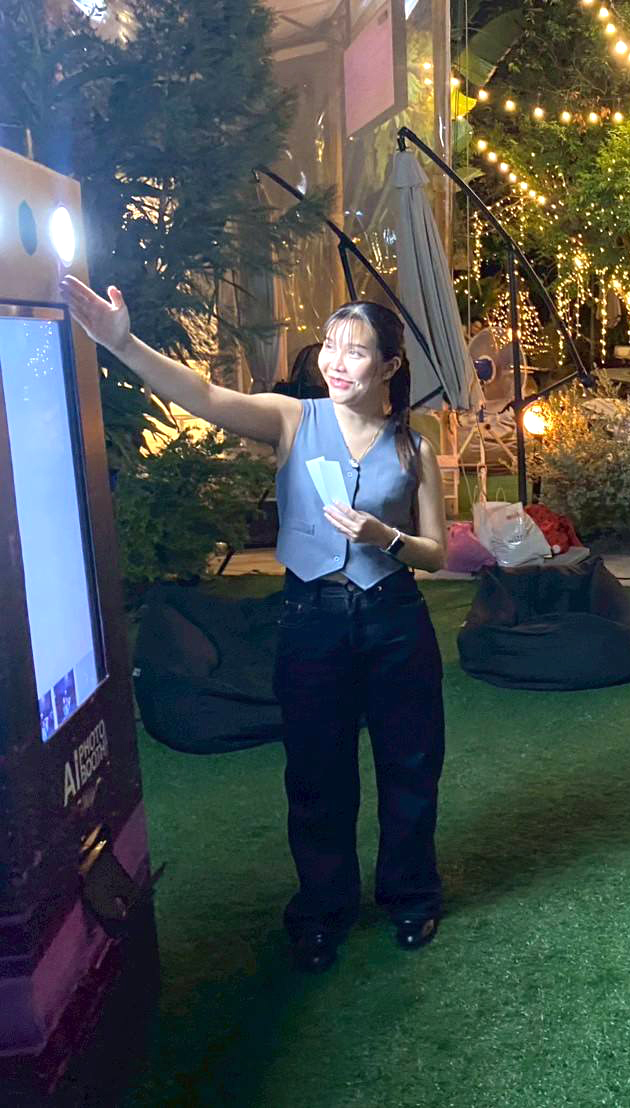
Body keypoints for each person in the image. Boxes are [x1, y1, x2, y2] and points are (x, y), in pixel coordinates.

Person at [61, 277, 449, 973]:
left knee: (411, 766)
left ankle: (411, 896)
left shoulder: (412, 447)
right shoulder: (292, 419)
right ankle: (322, 912)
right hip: (311, 621)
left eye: (355, 351)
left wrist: (383, 536)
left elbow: (437, 553)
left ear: (390, 365)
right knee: (316, 775)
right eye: (329, 346)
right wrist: (123, 343)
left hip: (395, 620)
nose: (335, 362)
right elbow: (205, 397)